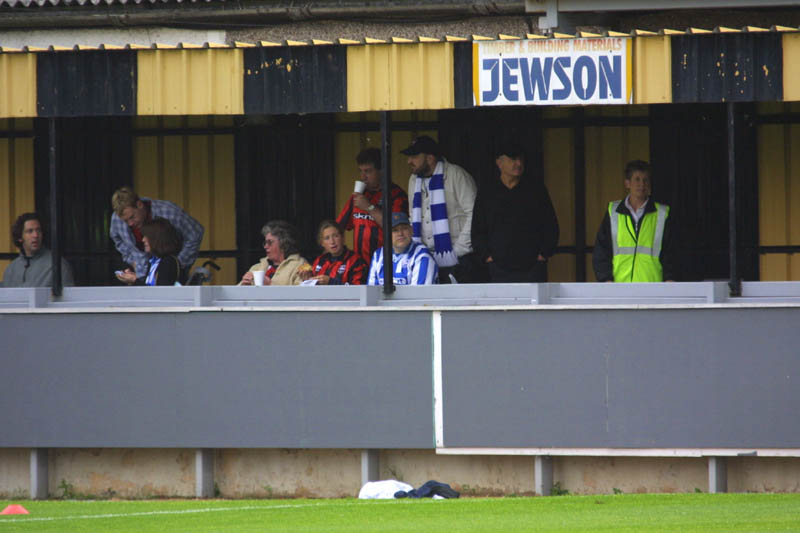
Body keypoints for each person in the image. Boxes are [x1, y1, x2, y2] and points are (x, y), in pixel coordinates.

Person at [471, 143, 559, 283]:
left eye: (520, 159)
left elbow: (550, 224)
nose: (518, 163)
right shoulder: (488, 192)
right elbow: (477, 228)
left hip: (533, 267)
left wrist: (544, 253)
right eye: (512, 159)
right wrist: (487, 256)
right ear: (499, 163)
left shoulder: (536, 190)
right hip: (498, 268)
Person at [402, 135, 478, 283]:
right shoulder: (413, 180)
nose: (409, 161)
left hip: (459, 260)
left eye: (415, 156)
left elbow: (475, 215)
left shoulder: (456, 175)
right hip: (425, 259)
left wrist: (457, 251)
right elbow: (412, 215)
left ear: (430, 158)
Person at [592, 160, 677, 282]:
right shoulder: (613, 212)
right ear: (627, 183)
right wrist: (606, 280)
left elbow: (671, 252)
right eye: (637, 179)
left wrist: (670, 278)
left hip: (653, 288)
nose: (641, 184)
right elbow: (601, 251)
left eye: (645, 180)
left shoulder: (662, 214)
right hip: (619, 288)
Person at [110, 186, 204, 280]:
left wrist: (178, 264)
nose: (130, 223)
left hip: (171, 276)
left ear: (139, 204)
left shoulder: (169, 212)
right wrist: (131, 259)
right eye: (125, 221)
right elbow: (117, 238)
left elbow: (195, 233)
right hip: (141, 273)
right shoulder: (116, 219)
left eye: (132, 217)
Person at [336, 147, 409, 264]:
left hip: (387, 264)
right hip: (359, 265)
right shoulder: (358, 196)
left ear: (381, 171)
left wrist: (369, 207)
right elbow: (337, 227)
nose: (363, 177)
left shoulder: (396, 195)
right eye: (361, 171)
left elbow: (396, 228)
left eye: (368, 171)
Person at [2, 212, 75, 288]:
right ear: (20, 237)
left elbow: (69, 297)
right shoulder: (11, 270)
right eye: (30, 231)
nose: (36, 235)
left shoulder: (57, 265)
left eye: (38, 230)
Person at [368, 212, 438, 286]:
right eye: (395, 230)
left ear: (411, 230)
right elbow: (372, 291)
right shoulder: (378, 255)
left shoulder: (422, 256)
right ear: (386, 234)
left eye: (404, 228)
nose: (400, 233)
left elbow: (418, 295)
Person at [239, 220, 310, 286]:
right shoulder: (256, 268)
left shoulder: (299, 266)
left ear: (284, 243)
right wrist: (244, 285)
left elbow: (300, 295)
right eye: (265, 243)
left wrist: (270, 285)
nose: (265, 246)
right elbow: (236, 295)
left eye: (269, 242)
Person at [116, 218, 182, 286]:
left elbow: (160, 293)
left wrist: (134, 280)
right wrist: (133, 278)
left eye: (147, 236)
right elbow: (148, 287)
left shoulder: (168, 262)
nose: (143, 240)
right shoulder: (153, 261)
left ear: (157, 238)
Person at [306, 220, 367, 285]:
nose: (332, 242)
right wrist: (307, 279)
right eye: (327, 238)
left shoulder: (356, 261)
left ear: (343, 238)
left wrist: (331, 282)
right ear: (322, 243)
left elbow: (359, 291)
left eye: (335, 236)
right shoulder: (319, 261)